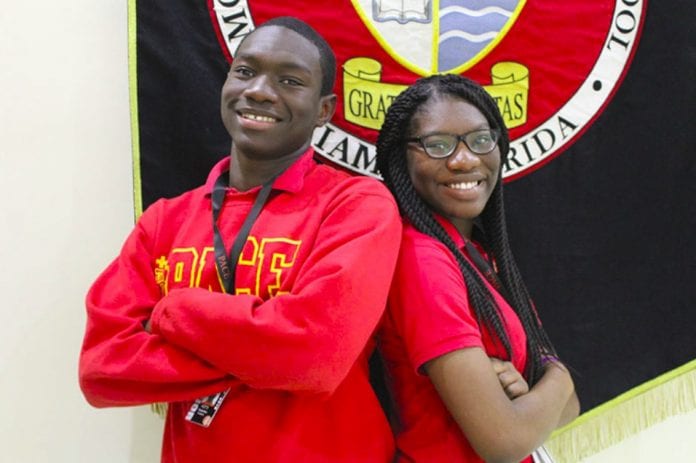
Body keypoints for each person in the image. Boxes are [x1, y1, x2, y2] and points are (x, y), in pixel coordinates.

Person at [79, 16, 402, 462]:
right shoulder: (164, 221)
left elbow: (315, 356)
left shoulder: (357, 205)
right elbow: (103, 369)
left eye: (290, 80)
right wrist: (269, 348)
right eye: (245, 72)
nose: (260, 91)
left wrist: (175, 312)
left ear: (324, 110)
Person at [375, 74, 579, 463]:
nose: (464, 158)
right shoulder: (422, 260)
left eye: (481, 140)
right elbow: (504, 440)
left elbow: (570, 409)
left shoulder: (476, 255)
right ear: (400, 159)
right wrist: (560, 378)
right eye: (438, 145)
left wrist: (540, 392)